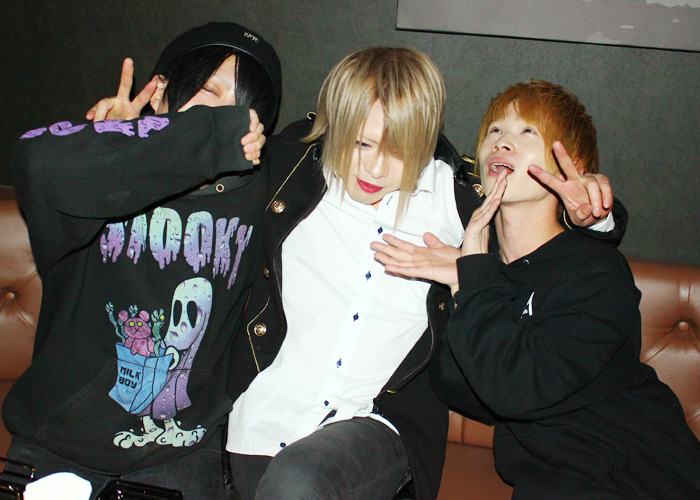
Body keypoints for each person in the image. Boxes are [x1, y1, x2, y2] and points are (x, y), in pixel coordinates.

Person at [227, 50, 625, 500]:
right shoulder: (292, 169)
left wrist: (597, 217)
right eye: (360, 144)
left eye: (398, 149)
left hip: (377, 420)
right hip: (266, 416)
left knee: (295, 484)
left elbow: (540, 234)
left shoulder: (456, 198)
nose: (374, 168)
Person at [372, 80, 700, 498]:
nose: (502, 142)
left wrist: (472, 281)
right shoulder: (474, 266)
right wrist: (464, 282)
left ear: (569, 168)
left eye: (528, 131)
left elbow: (517, 388)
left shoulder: (595, 270)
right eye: (495, 131)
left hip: (639, 471)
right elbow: (461, 389)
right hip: (550, 479)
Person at [3, 21, 281, 499]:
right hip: (59, 437)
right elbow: (37, 164)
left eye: (242, 106)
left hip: (180, 447)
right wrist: (121, 141)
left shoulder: (262, 195)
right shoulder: (100, 176)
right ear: (160, 92)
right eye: (209, 90)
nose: (226, 114)